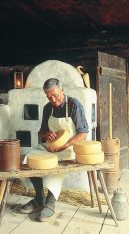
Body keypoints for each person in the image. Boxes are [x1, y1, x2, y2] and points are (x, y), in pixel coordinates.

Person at [18, 78, 89, 221]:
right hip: (50, 147)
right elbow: (42, 133)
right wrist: (46, 134)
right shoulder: (47, 108)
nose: (53, 99)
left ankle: (50, 203)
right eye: (49, 97)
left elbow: (83, 133)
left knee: (53, 166)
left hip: (68, 149)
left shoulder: (74, 105)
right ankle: (39, 198)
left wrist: (65, 144)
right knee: (30, 159)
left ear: (62, 90)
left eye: (55, 95)